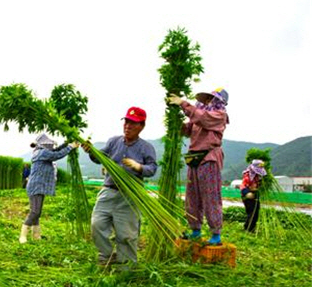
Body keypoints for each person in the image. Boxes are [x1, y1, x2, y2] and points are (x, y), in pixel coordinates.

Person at [81, 106, 157, 266]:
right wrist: (91, 151)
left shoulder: (146, 147)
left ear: (142, 126)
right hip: (108, 191)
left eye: (133, 123)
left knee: (126, 234)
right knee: (97, 225)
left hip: (130, 196)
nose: (128, 126)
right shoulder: (113, 141)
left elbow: (153, 169)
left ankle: (126, 267)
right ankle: (107, 257)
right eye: (126, 122)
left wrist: (138, 167)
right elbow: (99, 157)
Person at [168, 88, 230, 245]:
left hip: (209, 158)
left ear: (219, 101)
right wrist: (175, 121)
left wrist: (183, 103)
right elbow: (189, 129)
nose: (207, 102)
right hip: (195, 158)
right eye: (207, 99)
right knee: (192, 196)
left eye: (211, 99)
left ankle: (215, 234)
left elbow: (203, 118)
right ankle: (195, 230)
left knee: (210, 196)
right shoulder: (199, 114)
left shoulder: (218, 115)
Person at [19, 134, 79, 244]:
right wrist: (70, 147)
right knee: (35, 212)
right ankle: (23, 235)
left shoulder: (40, 151)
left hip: (39, 185)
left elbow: (56, 150)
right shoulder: (42, 152)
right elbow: (57, 155)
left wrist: (66, 143)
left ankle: (36, 235)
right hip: (36, 186)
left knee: (37, 212)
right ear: (44, 145)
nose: (51, 146)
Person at [240, 159, 267, 233]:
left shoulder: (257, 176)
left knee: (256, 211)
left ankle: (251, 227)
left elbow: (258, 184)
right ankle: (248, 228)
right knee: (251, 212)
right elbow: (243, 186)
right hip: (248, 195)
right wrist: (247, 193)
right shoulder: (247, 175)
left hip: (255, 194)